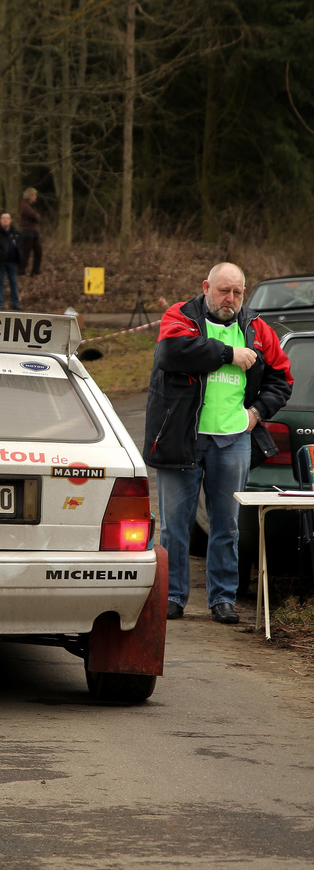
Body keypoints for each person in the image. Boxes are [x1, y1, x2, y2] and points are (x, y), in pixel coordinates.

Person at [143, 262, 293, 624]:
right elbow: (171, 353)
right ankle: (173, 597)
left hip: (234, 441)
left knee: (227, 526)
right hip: (183, 439)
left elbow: (283, 378)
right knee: (174, 525)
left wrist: (255, 414)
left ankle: (222, 599)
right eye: (224, 290)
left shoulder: (256, 329)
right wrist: (229, 354)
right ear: (207, 286)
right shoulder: (181, 315)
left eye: (237, 292)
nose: (230, 299)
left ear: (245, 292)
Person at [18, 187, 43, 276]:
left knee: (38, 251)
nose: (35, 197)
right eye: (34, 195)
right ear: (30, 196)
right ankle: (21, 271)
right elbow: (35, 217)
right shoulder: (24, 206)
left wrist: (37, 217)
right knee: (26, 253)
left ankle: (35, 271)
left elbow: (37, 218)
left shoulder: (31, 206)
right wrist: (36, 216)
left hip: (34, 232)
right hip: (27, 233)